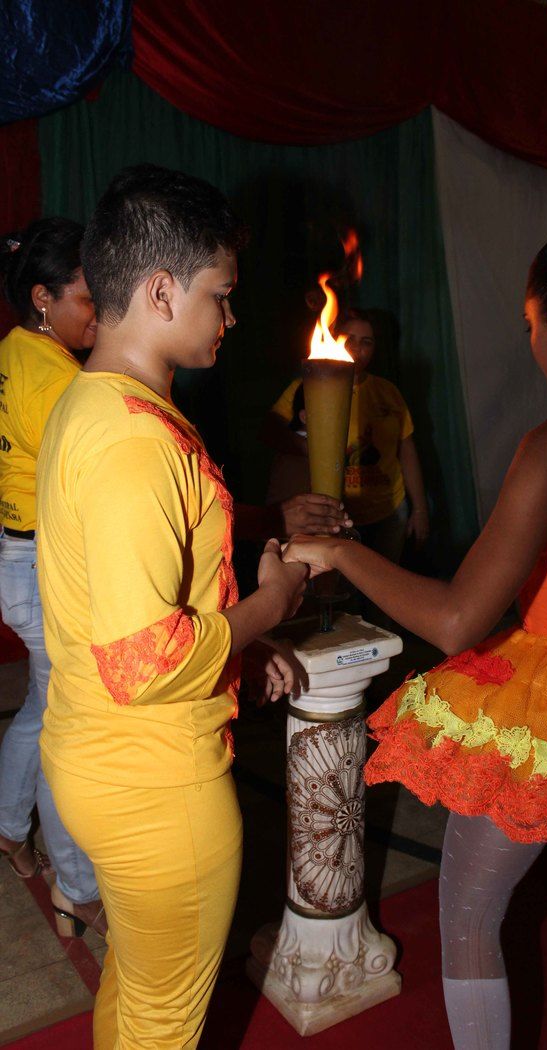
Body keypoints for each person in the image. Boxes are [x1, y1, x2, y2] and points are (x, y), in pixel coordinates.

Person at [284, 205, 547, 1050]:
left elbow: (456, 618)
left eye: (528, 324)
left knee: (471, 915)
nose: (532, 342)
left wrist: (343, 551)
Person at [36, 165, 308, 1048]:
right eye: (219, 296)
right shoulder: (130, 439)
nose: (229, 319)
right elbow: (143, 657)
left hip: (97, 760)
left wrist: (234, 637)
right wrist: (268, 606)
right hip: (154, 785)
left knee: (136, 993)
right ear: (160, 290)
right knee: (164, 1022)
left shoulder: (90, 403)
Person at [0, 219, 105, 936]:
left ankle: (8, 828)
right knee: (69, 724)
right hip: (43, 566)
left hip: (14, 555)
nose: (98, 314)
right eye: (86, 299)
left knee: (41, 714)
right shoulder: (63, 381)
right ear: (43, 298)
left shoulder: (12, 352)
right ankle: (76, 883)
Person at [263, 309, 429, 563]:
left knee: (383, 584)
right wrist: (316, 452)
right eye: (349, 338)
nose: (356, 348)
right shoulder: (308, 386)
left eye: (366, 342)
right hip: (335, 513)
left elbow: (406, 449)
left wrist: (419, 509)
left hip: (388, 511)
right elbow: (270, 431)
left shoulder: (387, 392)